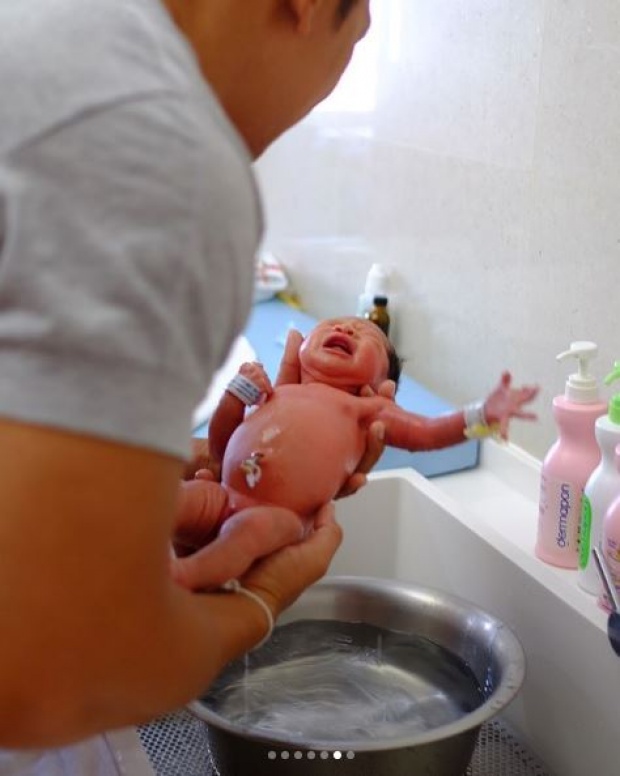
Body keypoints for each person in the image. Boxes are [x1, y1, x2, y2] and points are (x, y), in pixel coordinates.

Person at [0, 0, 378, 770]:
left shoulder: (43, 40)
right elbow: (49, 681)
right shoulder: (166, 150)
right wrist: (258, 607)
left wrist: (117, 480)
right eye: (358, 33)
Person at [173, 317, 538, 584]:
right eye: (332, 325)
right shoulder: (277, 391)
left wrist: (483, 415)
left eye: (368, 337)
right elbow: (220, 451)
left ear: (382, 383)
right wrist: (235, 396)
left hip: (276, 516)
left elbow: (429, 432)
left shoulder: (368, 412)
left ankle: (183, 577)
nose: (346, 329)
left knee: (246, 531)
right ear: (301, 353)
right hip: (222, 491)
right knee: (170, 499)